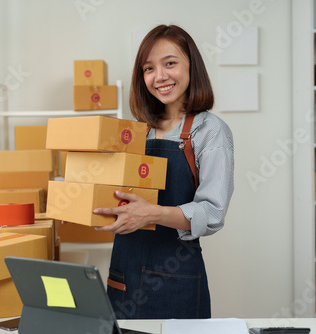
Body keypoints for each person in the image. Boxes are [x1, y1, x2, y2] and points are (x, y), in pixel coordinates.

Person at [93, 24, 234, 320]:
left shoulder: (210, 132)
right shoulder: (134, 133)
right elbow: (122, 199)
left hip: (175, 281)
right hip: (124, 275)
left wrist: (153, 214)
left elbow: (212, 213)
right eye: (148, 68)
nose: (159, 77)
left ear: (191, 66)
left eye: (170, 63)